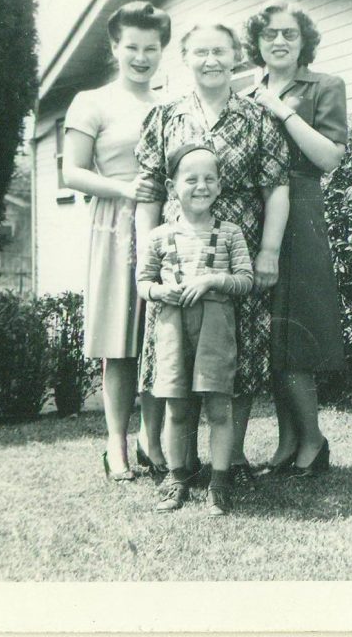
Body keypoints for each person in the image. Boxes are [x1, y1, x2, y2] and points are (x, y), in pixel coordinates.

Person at [135, 21, 290, 490]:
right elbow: (146, 190)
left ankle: (232, 457)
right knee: (174, 354)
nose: (211, 60)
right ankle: (180, 464)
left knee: (236, 352)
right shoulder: (164, 117)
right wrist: (151, 250)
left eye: (220, 51)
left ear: (236, 56)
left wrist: (268, 251)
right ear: (185, 58)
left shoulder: (258, 117)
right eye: (200, 51)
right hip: (176, 255)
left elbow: (277, 187)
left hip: (235, 253)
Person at [61, 1, 171, 481]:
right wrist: (125, 188)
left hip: (166, 229)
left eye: (151, 47)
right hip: (114, 227)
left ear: (162, 50)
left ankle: (153, 441)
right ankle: (116, 446)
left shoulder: (169, 105)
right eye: (132, 47)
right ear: (114, 47)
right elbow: (71, 172)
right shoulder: (92, 101)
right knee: (119, 343)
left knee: (159, 339)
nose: (141, 57)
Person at [243, 1, 348, 477]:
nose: (279, 42)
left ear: (304, 40)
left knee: (297, 328)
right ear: (257, 43)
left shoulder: (324, 86)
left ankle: (313, 442)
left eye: (289, 34)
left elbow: (328, 157)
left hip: (301, 208)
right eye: (269, 35)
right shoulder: (246, 93)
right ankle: (288, 444)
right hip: (254, 212)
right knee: (269, 334)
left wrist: (279, 111)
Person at [137, 142, 254, 516]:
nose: (201, 186)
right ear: (173, 187)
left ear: (220, 187)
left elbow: (246, 280)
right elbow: (142, 283)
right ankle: (177, 479)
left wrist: (211, 281)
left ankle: (219, 484)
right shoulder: (159, 236)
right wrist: (161, 290)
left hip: (216, 327)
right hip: (172, 326)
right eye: (191, 179)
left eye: (209, 179)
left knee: (219, 408)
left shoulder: (231, 233)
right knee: (176, 409)